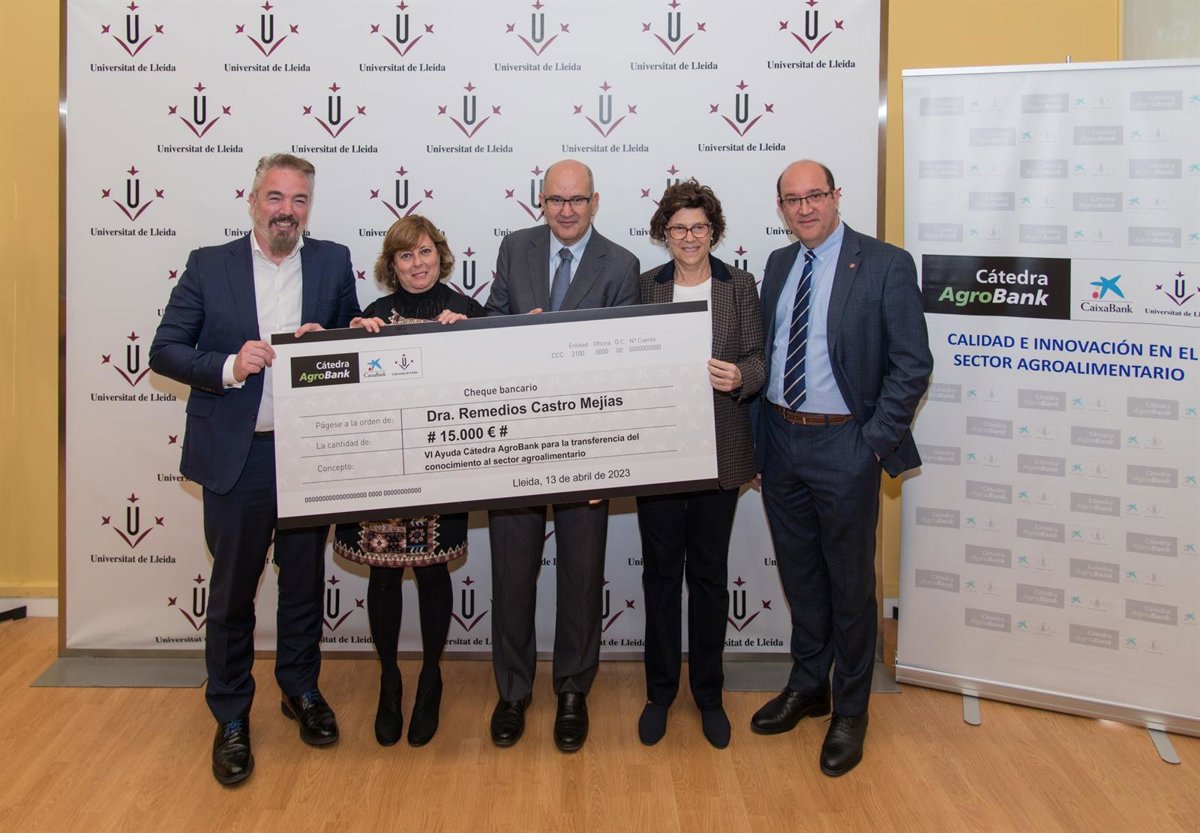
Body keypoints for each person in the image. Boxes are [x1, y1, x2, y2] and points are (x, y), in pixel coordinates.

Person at [149, 153, 360, 786]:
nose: (286, 211)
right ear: (253, 200)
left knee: (303, 586)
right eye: (275, 197)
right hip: (238, 457)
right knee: (233, 593)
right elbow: (165, 350)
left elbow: (354, 344)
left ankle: (300, 689)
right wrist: (228, 365)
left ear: (309, 208)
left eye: (299, 200)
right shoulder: (208, 265)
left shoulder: (332, 261)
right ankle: (231, 714)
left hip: (309, 453)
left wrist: (336, 339)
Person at [751, 160, 932, 776]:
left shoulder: (885, 264)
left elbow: (912, 364)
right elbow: (769, 352)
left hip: (845, 445)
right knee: (801, 577)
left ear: (836, 197)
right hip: (781, 440)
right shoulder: (778, 264)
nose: (805, 208)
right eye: (792, 199)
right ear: (781, 208)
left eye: (815, 196)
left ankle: (851, 708)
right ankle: (809, 686)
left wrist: (872, 443)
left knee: (850, 586)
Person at [483, 159, 640, 752]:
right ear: (541, 202)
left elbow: (628, 364)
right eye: (556, 200)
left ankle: (573, 690)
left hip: (586, 447)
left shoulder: (620, 265)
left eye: (577, 200)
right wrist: (512, 333)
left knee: (581, 575)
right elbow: (491, 320)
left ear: (595, 202)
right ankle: (513, 691)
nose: (566, 210)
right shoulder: (515, 248)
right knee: (511, 575)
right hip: (517, 444)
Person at [335, 215, 484, 748]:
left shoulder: (468, 311)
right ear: (391, 265)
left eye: (424, 252)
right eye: (405, 255)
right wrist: (349, 342)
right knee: (383, 576)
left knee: (433, 572)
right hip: (382, 471)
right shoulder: (371, 315)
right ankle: (389, 680)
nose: (417, 263)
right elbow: (343, 393)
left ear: (440, 255)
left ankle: (431, 678)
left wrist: (469, 339)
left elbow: (494, 384)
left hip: (441, 468)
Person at [634, 180, 764, 749]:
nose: (689, 238)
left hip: (721, 452)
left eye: (700, 228)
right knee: (661, 576)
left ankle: (709, 694)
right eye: (679, 228)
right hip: (661, 455)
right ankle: (660, 693)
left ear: (714, 232)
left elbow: (759, 357)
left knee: (709, 577)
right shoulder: (646, 287)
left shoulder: (740, 285)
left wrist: (742, 376)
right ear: (664, 234)